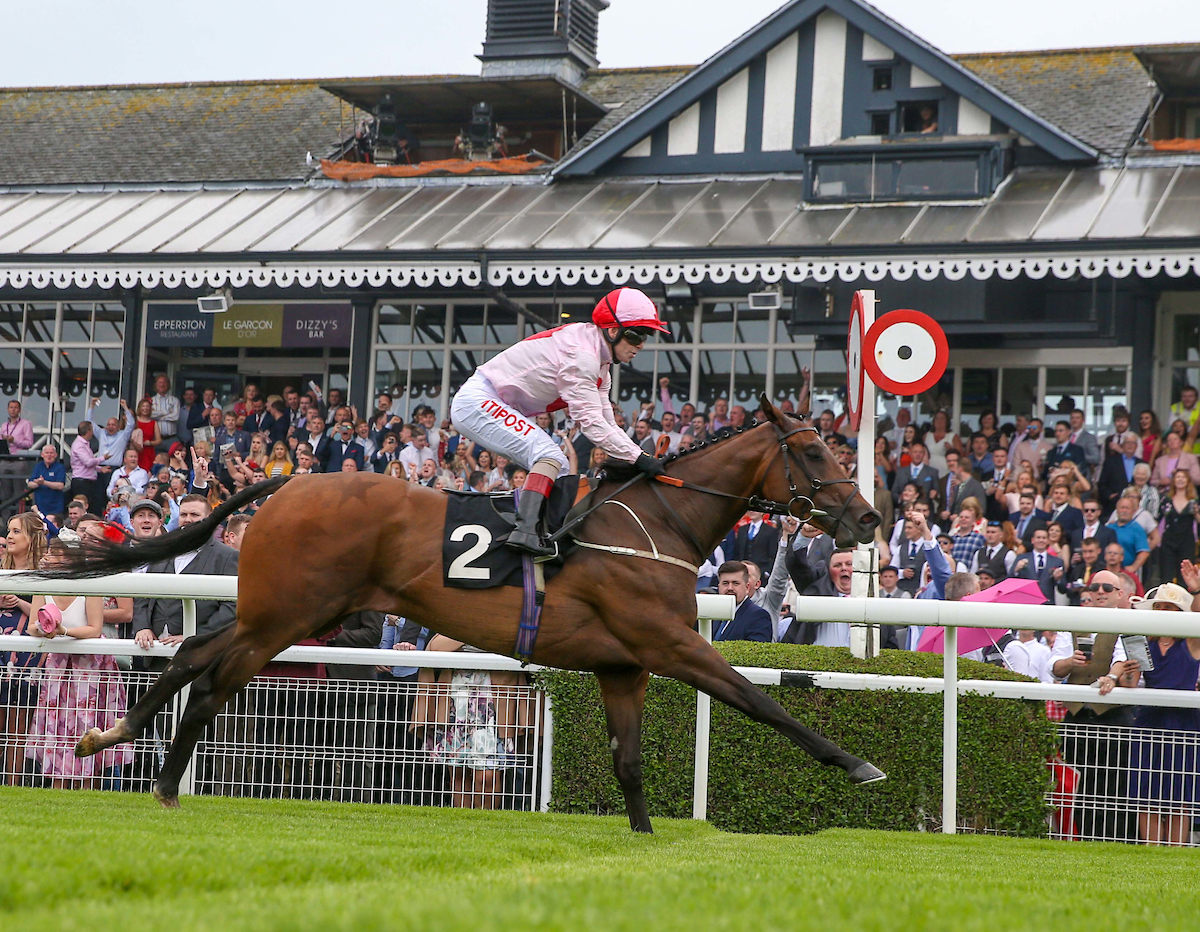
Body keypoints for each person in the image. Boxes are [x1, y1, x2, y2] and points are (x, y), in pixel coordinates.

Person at [450, 287, 668, 556]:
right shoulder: (582, 357)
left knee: (561, 469)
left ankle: (542, 531)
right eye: (636, 336)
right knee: (549, 455)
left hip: (491, 402)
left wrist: (639, 456)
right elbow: (591, 424)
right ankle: (524, 531)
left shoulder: (600, 364)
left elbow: (607, 423)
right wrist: (638, 458)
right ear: (613, 331)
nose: (641, 345)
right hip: (478, 401)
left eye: (645, 337)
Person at [24, 535, 133, 788]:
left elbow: (95, 628)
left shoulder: (90, 584)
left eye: (54, 553)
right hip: (58, 664)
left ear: (68, 558)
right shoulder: (42, 585)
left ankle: (86, 786)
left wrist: (63, 631)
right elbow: (31, 626)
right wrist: (43, 630)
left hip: (91, 664)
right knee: (57, 722)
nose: (47, 557)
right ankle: (57, 784)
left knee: (89, 720)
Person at [1129, 572, 1200, 845]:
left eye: (1171, 608)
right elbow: (1132, 683)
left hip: (1183, 723)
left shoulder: (1191, 642)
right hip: (1149, 720)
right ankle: (1150, 849)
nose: (1163, 613)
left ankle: (1176, 850)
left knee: (1179, 792)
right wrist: (1127, 672)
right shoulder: (1142, 643)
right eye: (1159, 607)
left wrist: (1196, 590)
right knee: (1145, 791)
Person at [132, 495, 239, 648]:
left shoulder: (227, 556)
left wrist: (194, 636)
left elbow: (231, 607)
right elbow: (143, 595)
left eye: (194, 515)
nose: (188, 519)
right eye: (183, 514)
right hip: (153, 651)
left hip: (200, 651)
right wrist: (142, 627)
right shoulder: (162, 549)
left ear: (209, 518)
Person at [0, 512, 46, 784]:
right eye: (9, 531)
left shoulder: (43, 575)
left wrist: (18, 602)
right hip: (1, 650)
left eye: (16, 531)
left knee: (17, 724)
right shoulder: (1, 569)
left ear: (33, 538)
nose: (9, 537)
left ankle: (13, 782)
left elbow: (45, 616)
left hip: (28, 656)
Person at [1156, 469, 1199, 587]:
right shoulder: (1166, 499)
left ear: (1188, 481)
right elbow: (1157, 519)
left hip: (1187, 541)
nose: (1180, 479)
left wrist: (1196, 513)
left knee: (1184, 575)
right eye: (1178, 477)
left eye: (1183, 477)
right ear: (1173, 481)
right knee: (1166, 575)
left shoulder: (1194, 501)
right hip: (1168, 540)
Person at [712, 561, 772, 642]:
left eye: (735, 583)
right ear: (719, 587)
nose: (730, 588)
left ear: (747, 587)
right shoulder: (713, 613)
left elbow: (757, 648)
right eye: (725, 583)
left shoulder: (758, 616)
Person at [1012, 527, 1063, 602]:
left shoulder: (1056, 561)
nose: (1041, 540)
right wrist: (1016, 571)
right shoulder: (1021, 558)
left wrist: (1058, 579)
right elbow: (1010, 580)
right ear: (1032, 540)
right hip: (1026, 602)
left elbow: (1063, 589)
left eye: (1044, 538)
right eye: (1038, 537)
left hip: (1047, 604)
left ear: (1048, 541)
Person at [1097, 435, 1142, 519]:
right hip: (1113, 505)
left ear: (1136, 446)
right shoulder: (1111, 462)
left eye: (1133, 443)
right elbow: (1102, 483)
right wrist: (1110, 495)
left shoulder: (1142, 463)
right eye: (1127, 442)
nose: (1130, 445)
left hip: (1136, 508)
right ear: (1122, 445)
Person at [69, 420, 107, 517]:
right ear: (88, 431)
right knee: (82, 508)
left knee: (92, 507)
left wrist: (100, 469)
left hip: (87, 481)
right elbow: (88, 462)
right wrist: (103, 458)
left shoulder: (85, 444)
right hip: (82, 481)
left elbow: (86, 463)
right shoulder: (79, 445)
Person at [1059, 537, 1104, 606]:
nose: (1087, 555)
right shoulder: (1077, 568)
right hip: (1076, 606)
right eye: (1084, 552)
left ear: (1098, 551)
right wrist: (1073, 589)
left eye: (1091, 551)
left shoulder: (1103, 570)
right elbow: (1067, 592)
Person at [27, 444, 66, 517]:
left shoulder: (60, 467)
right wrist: (38, 483)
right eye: (47, 453)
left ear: (55, 455)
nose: (49, 455)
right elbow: (30, 484)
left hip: (55, 508)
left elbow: (60, 486)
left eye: (51, 453)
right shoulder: (38, 466)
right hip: (40, 507)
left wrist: (44, 482)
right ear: (42, 455)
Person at [130, 398, 160, 472]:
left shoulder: (153, 423)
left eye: (147, 406)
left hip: (148, 452)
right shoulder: (134, 421)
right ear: (139, 408)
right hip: (135, 450)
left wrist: (150, 443)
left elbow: (159, 440)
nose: (145, 408)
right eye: (143, 406)